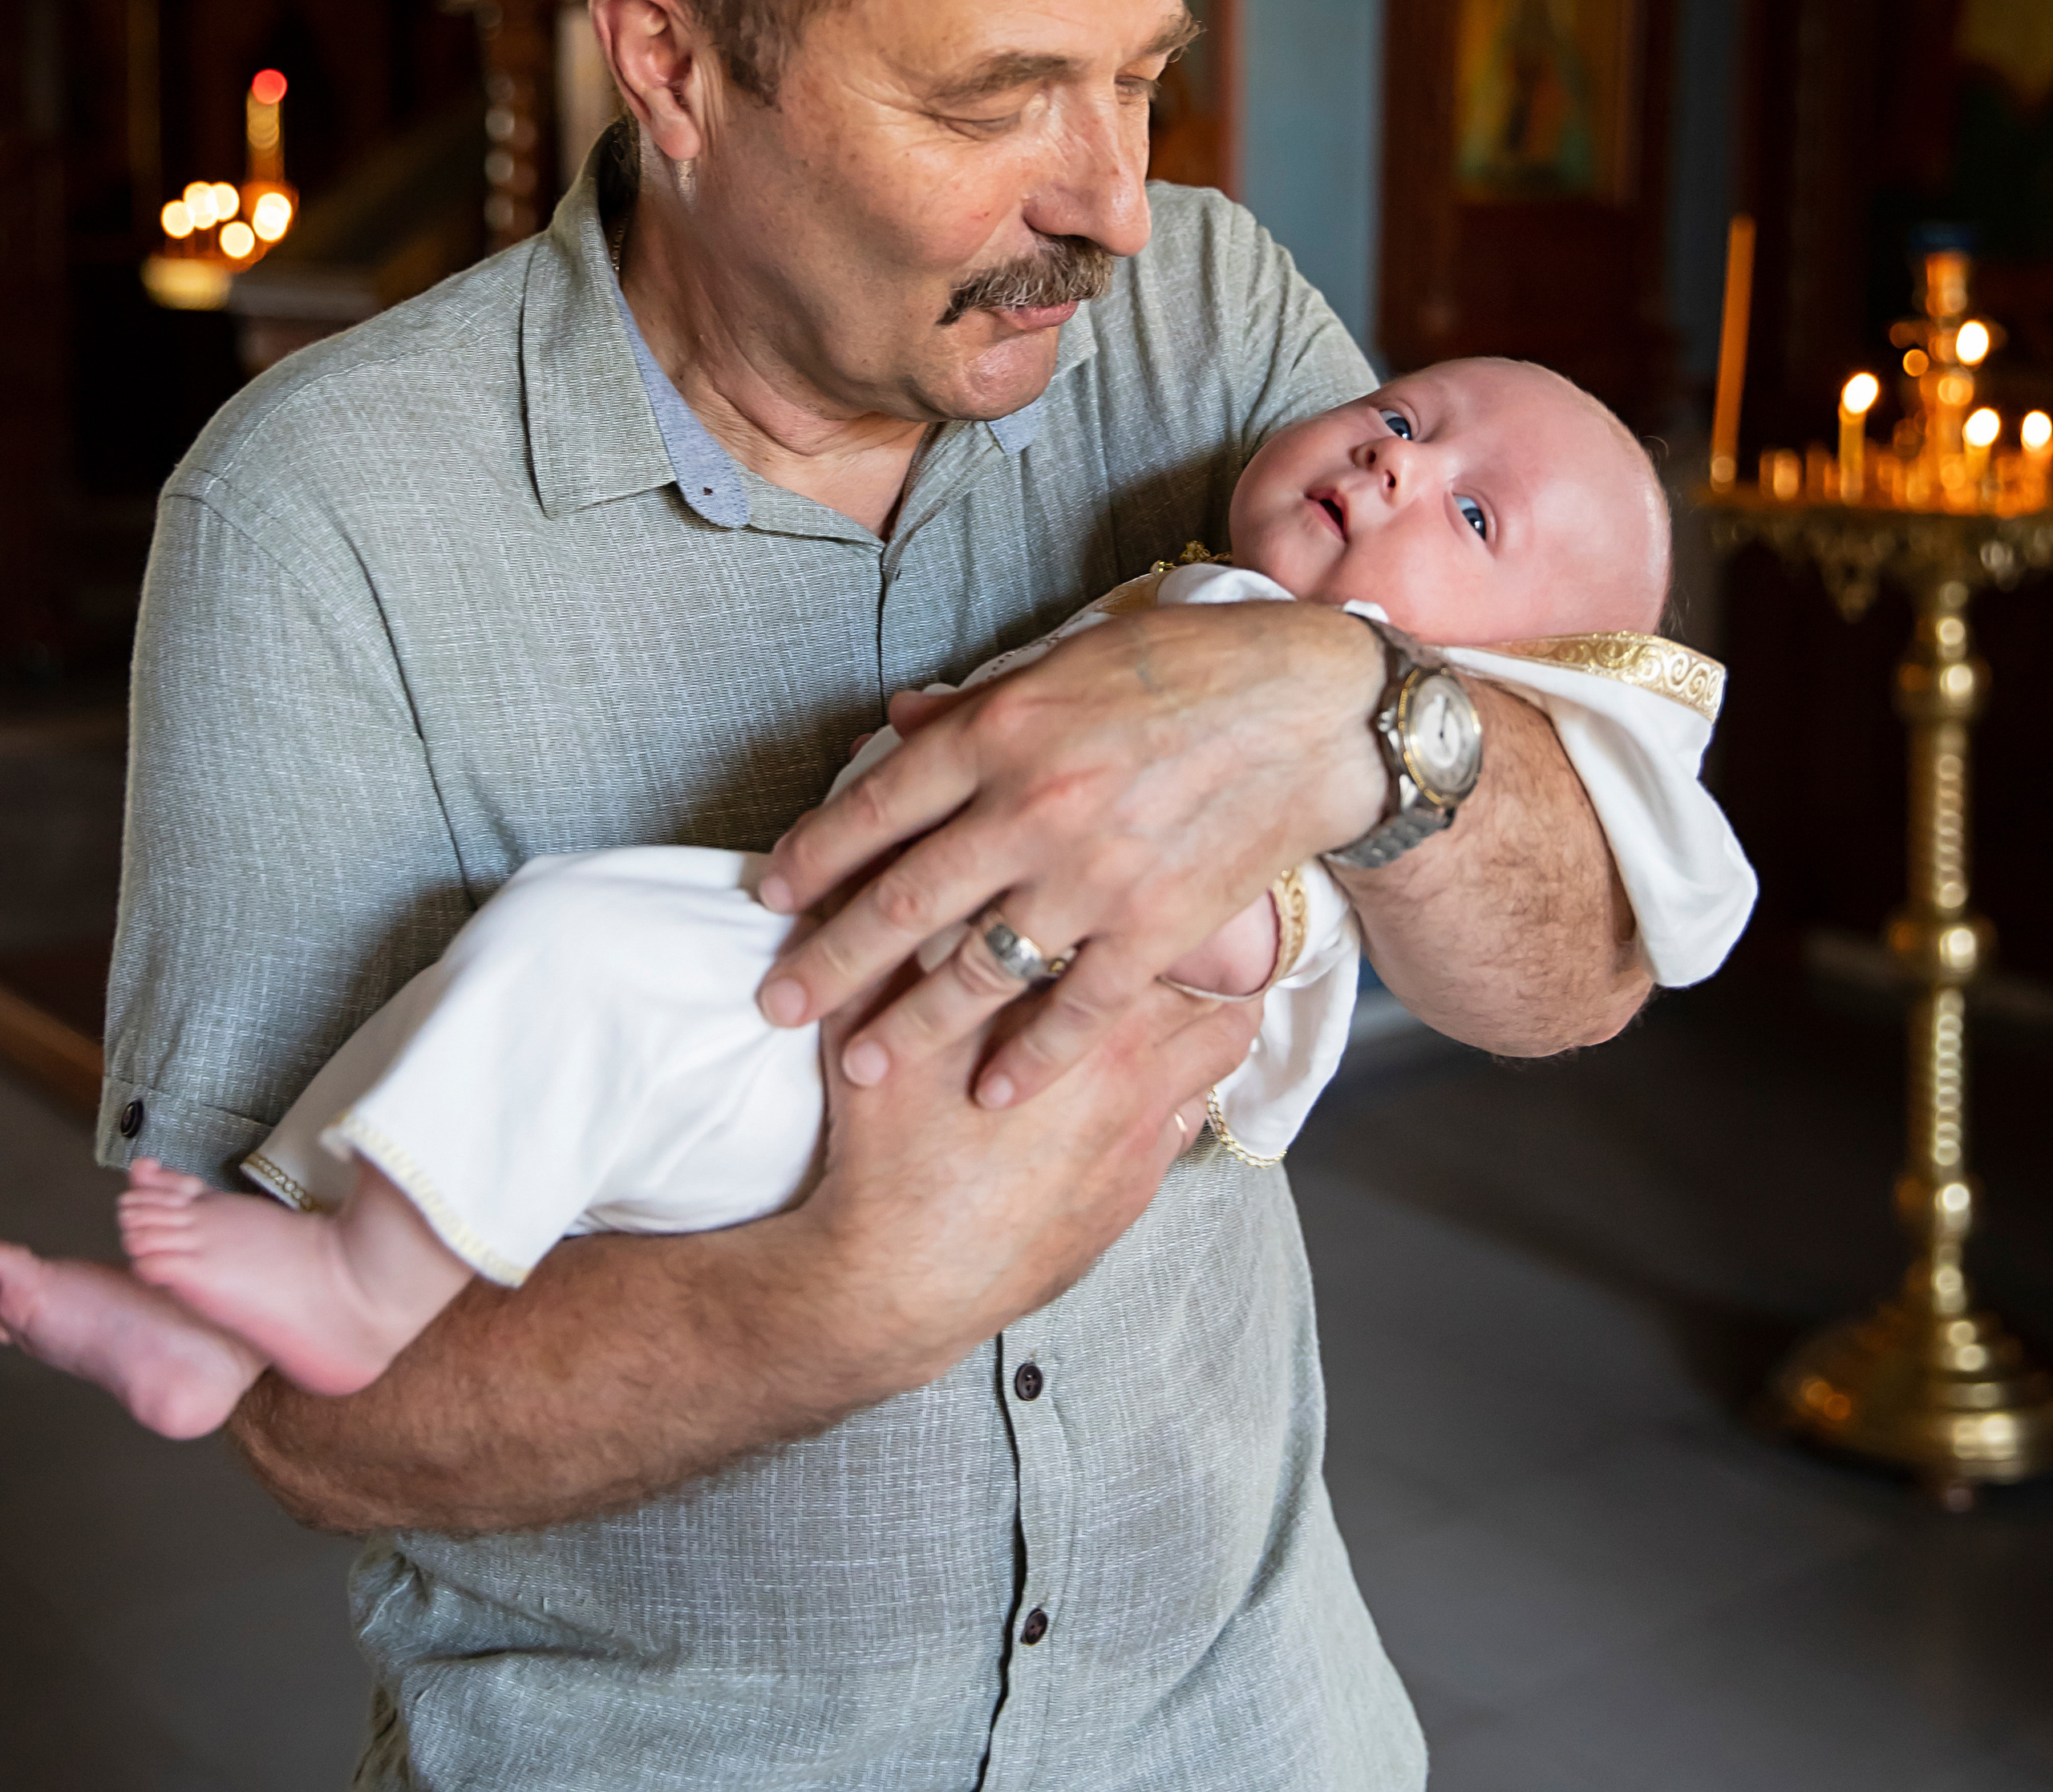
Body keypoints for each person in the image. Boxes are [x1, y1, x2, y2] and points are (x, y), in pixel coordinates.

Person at [51, 0, 1715, 1792]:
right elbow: (318, 1427)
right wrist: (861, 1286)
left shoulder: (1212, 323)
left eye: (1141, 76)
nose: (1108, 198)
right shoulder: (320, 524)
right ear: (672, 64)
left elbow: (1573, 973)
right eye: (991, 96)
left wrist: (1349, 720)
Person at [0, 359, 1751, 1437]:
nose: (1391, 459)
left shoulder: (1340, 736)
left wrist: (1157, 824)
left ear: (1499, 676)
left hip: (897, 1052)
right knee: (544, 969)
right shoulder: (1219, 584)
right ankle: (220, 1339)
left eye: (1469, 515)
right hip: (828, 984)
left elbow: (1242, 941)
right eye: (1403, 415)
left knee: (565, 950)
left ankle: (352, 1293)